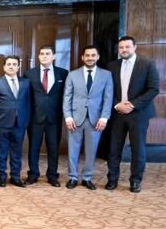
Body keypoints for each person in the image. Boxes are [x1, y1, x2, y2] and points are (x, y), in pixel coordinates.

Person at [106, 36, 159, 193]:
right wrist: (117, 105)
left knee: (138, 149)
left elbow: (153, 89)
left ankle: (135, 180)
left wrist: (132, 105)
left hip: (139, 113)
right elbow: (107, 89)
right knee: (114, 148)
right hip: (117, 113)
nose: (124, 50)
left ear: (134, 47)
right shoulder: (111, 66)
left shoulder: (148, 64)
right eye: (121, 47)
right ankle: (112, 179)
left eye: (127, 47)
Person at [62, 45, 113, 190]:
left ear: (98, 57)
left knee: (91, 150)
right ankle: (72, 177)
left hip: (96, 119)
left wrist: (104, 118)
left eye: (93, 55)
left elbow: (108, 98)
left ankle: (87, 177)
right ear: (82, 57)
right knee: (73, 149)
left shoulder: (106, 75)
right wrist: (68, 117)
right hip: (75, 118)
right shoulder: (72, 75)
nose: (90, 58)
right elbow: (67, 97)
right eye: (87, 55)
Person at [25, 45, 68, 187]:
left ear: (53, 56)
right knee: (34, 147)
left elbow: (66, 95)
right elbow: (26, 97)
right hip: (35, 118)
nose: (44, 56)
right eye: (42, 53)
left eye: (47, 53)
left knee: (53, 148)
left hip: (54, 117)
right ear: (38, 56)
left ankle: (52, 175)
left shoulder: (63, 73)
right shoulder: (29, 74)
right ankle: (33, 174)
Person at [0, 55, 31, 187]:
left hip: (20, 123)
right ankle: (1, 176)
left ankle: (15, 176)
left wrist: (27, 119)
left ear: (18, 67)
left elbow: (29, 103)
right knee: (1, 151)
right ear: (4, 67)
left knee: (17, 151)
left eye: (14, 64)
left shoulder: (26, 83)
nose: (11, 66)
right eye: (9, 64)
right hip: (1, 123)